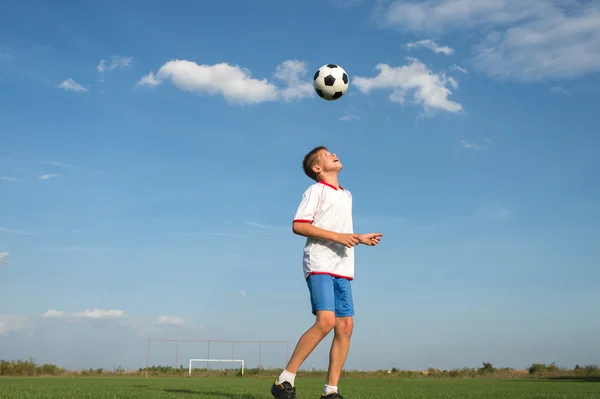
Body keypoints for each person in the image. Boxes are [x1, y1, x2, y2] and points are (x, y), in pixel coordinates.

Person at [270, 146, 382, 399]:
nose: (333, 154)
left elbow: (340, 229)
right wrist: (339, 237)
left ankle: (330, 392)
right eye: (325, 155)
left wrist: (359, 238)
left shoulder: (347, 195)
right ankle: (284, 379)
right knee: (326, 322)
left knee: (345, 327)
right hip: (320, 262)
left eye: (332, 151)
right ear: (317, 169)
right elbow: (299, 225)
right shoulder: (315, 190)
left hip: (343, 266)